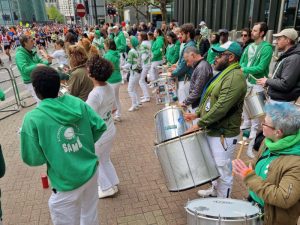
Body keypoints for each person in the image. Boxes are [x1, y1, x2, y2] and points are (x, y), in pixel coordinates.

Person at [20, 66, 107, 225]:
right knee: (89, 216)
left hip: (65, 182)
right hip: (90, 170)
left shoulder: (32, 119)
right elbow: (100, 126)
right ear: (59, 84)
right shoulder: (76, 102)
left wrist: (55, 150)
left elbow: (33, 158)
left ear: (36, 90)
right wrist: (82, 144)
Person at [184, 42, 247, 198]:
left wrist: (199, 124)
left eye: (220, 55)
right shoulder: (226, 73)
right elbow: (210, 99)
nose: (216, 59)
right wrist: (197, 113)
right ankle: (214, 191)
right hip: (216, 130)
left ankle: (223, 205)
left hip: (224, 134)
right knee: (214, 165)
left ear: (231, 57)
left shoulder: (234, 78)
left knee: (223, 170)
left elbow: (221, 107)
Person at [233, 103, 300, 225]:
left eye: (265, 123)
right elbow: (259, 162)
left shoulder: (296, 164)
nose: (261, 126)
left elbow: (284, 198)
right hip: (254, 206)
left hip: (272, 219)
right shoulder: (269, 142)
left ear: (278, 132)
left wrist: (249, 176)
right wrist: (243, 166)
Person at [86, 55, 120, 199]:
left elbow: (87, 116)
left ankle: (106, 187)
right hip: (110, 128)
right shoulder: (109, 87)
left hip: (99, 134)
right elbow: (113, 109)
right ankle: (113, 182)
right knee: (105, 158)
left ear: (92, 73)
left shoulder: (95, 94)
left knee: (95, 160)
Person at [239, 22, 273, 158]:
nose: (252, 33)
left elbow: (261, 67)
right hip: (246, 84)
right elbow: (242, 62)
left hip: (257, 85)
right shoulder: (249, 47)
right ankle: (245, 142)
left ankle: (252, 148)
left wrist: (244, 69)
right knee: (246, 118)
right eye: (252, 30)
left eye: (254, 31)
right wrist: (242, 69)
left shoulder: (267, 48)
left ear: (262, 33)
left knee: (255, 120)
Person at [257, 28, 300, 103]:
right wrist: (268, 83)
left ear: (288, 40)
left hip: (282, 103)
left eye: (279, 39)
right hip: (279, 101)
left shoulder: (294, 58)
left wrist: (268, 81)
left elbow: (285, 84)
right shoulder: (288, 56)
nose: (276, 42)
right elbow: (280, 78)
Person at [15, 34, 52, 104]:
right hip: (30, 81)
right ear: (25, 43)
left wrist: (48, 62)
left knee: (46, 100)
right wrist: (37, 65)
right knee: (41, 102)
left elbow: (41, 62)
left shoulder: (32, 51)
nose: (34, 42)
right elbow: (25, 70)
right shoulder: (19, 54)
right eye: (31, 41)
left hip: (39, 78)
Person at [169, 23, 196, 102]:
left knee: (184, 105)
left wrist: (173, 73)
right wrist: (176, 67)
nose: (179, 36)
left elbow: (185, 65)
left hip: (186, 80)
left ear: (188, 34)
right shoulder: (188, 45)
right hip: (185, 79)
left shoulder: (190, 46)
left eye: (182, 34)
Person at [180, 46, 212, 111]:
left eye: (187, 60)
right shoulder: (200, 65)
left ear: (192, 55)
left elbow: (197, 91)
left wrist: (185, 102)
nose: (187, 64)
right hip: (199, 104)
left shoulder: (202, 67)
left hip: (200, 105)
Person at [103, 39, 123, 122]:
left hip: (111, 79)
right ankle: (118, 114)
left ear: (107, 45)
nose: (104, 46)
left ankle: (114, 116)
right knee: (116, 98)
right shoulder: (116, 53)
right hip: (117, 78)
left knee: (112, 99)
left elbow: (105, 68)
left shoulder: (107, 55)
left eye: (104, 44)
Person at [121, 36, 141, 111]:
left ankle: (134, 105)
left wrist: (122, 67)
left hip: (134, 72)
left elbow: (129, 64)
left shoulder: (131, 52)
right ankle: (138, 102)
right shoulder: (137, 50)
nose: (128, 42)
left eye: (129, 41)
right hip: (138, 71)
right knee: (135, 89)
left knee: (130, 89)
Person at [137, 31, 152, 103]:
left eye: (139, 36)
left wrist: (140, 64)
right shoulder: (148, 42)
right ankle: (146, 95)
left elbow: (143, 57)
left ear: (142, 37)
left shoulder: (143, 44)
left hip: (146, 64)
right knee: (142, 80)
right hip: (148, 63)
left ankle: (147, 96)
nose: (138, 37)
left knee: (141, 81)